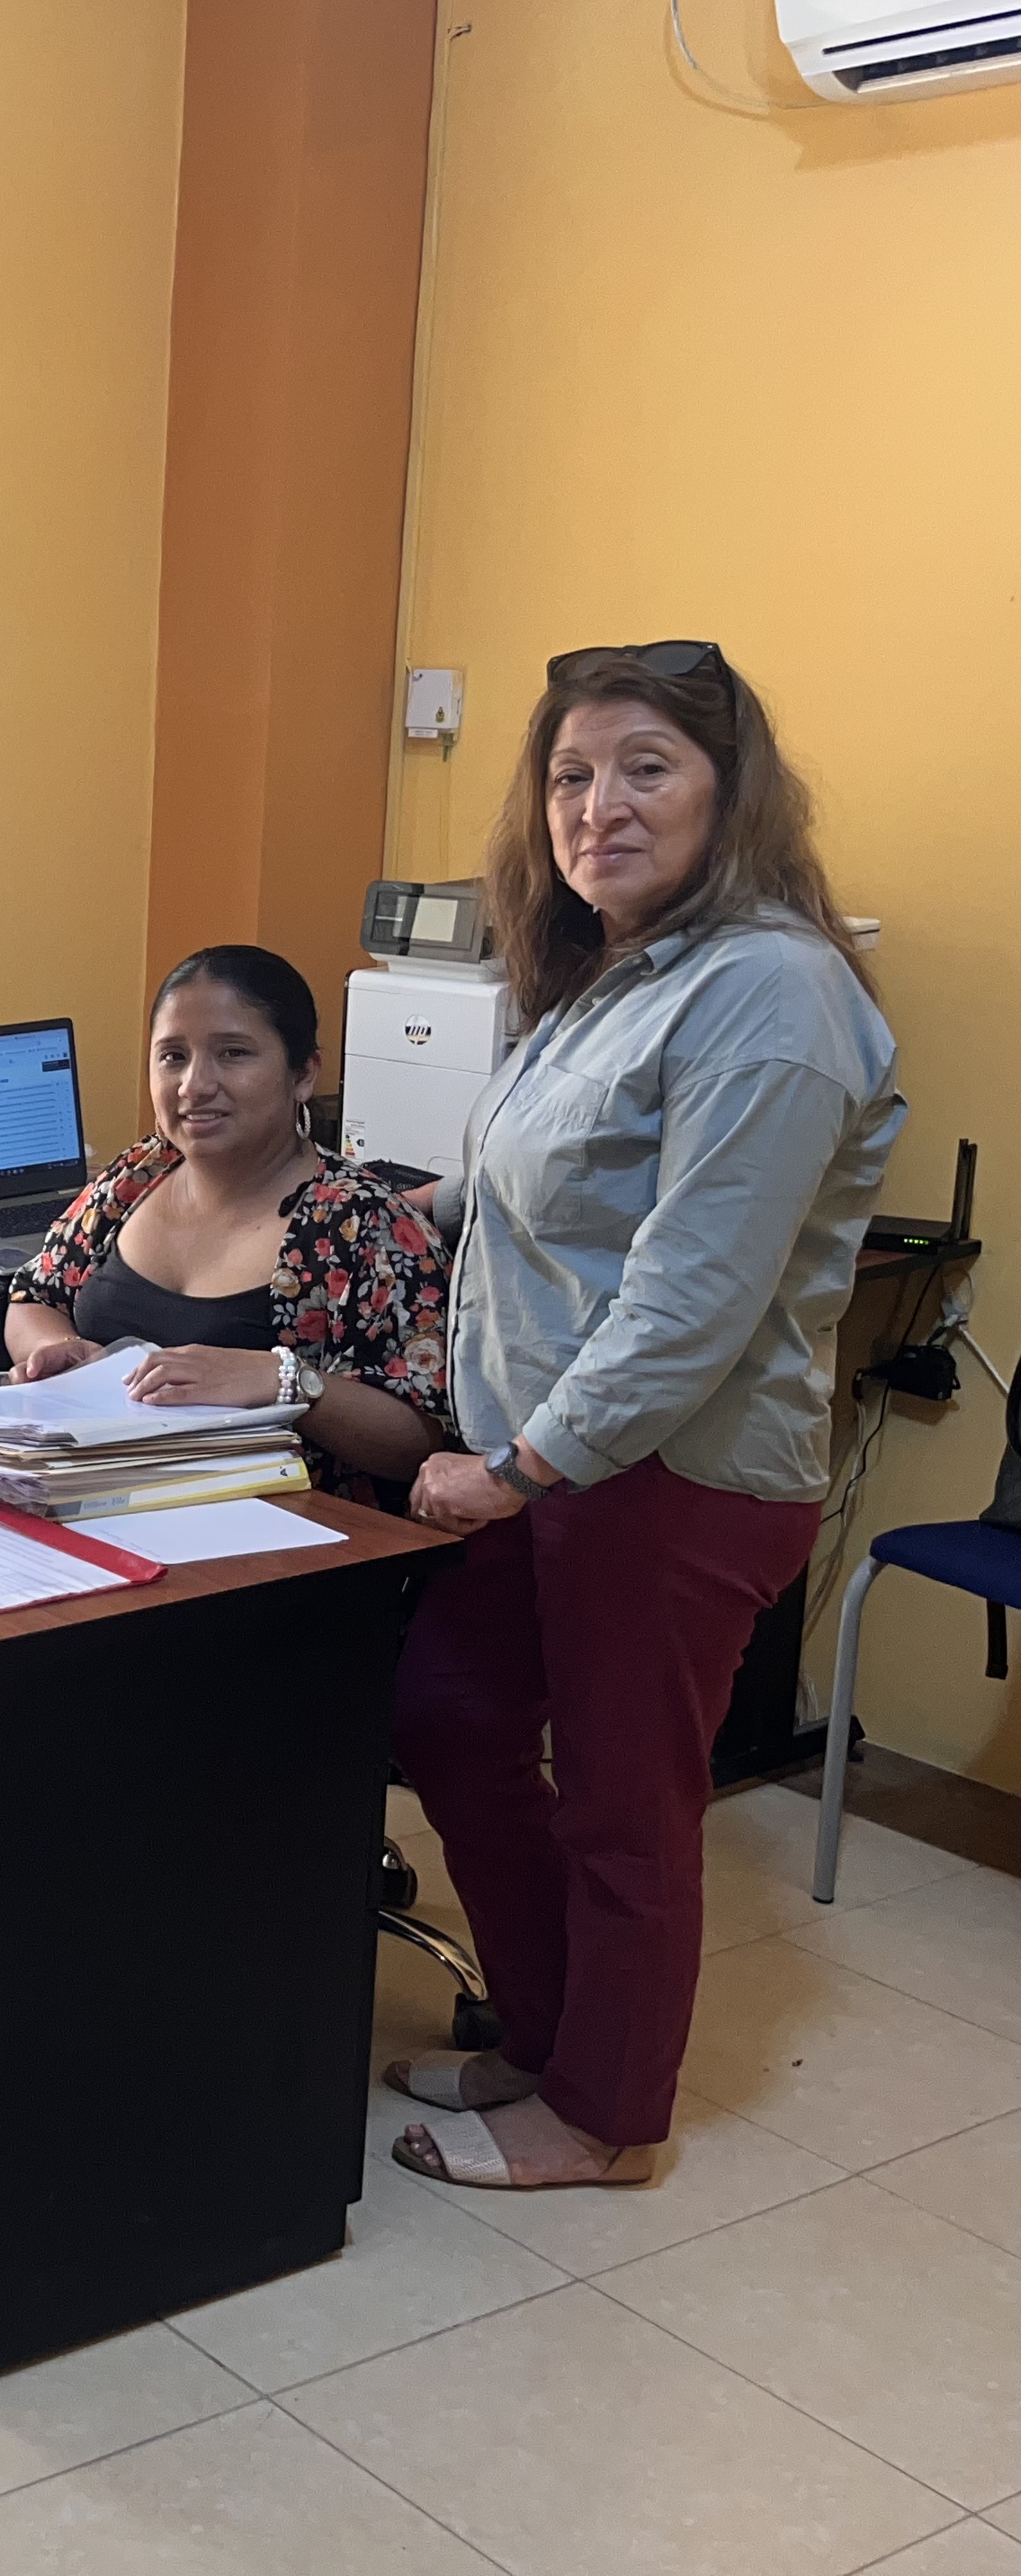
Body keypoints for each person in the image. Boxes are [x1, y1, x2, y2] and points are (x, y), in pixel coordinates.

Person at [386, 642, 900, 2193]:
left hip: (661, 1475)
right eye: (568, 774)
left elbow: (691, 1299)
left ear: (729, 792)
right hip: (543, 1458)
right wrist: (387, 1207)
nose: (594, 805)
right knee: (452, 1720)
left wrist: (518, 1467)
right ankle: (543, 2033)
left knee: (625, 1802)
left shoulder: (772, 992)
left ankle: (601, 2115)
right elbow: (540, 1183)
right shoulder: (620, 971)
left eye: (643, 768)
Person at [4, 944, 452, 1500]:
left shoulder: (366, 1225)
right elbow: (34, 1295)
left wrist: (282, 1381)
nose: (194, 1085)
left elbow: (424, 1442)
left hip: (281, 1528)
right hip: (101, 1496)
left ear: (303, 1074)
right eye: (172, 1056)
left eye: (233, 1053)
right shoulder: (139, 1173)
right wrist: (67, 1353)